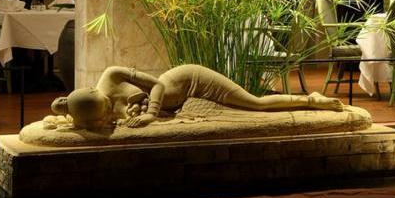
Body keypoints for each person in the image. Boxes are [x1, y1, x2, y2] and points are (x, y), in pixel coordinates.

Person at [51, 64, 344, 129]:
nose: (108, 108)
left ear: (94, 91)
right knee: (250, 109)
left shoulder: (111, 76)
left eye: (104, 104)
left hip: (190, 79)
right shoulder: (99, 113)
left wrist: (151, 113)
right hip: (183, 102)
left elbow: (157, 85)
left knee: (255, 103)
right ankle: (309, 100)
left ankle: (312, 100)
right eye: (104, 111)